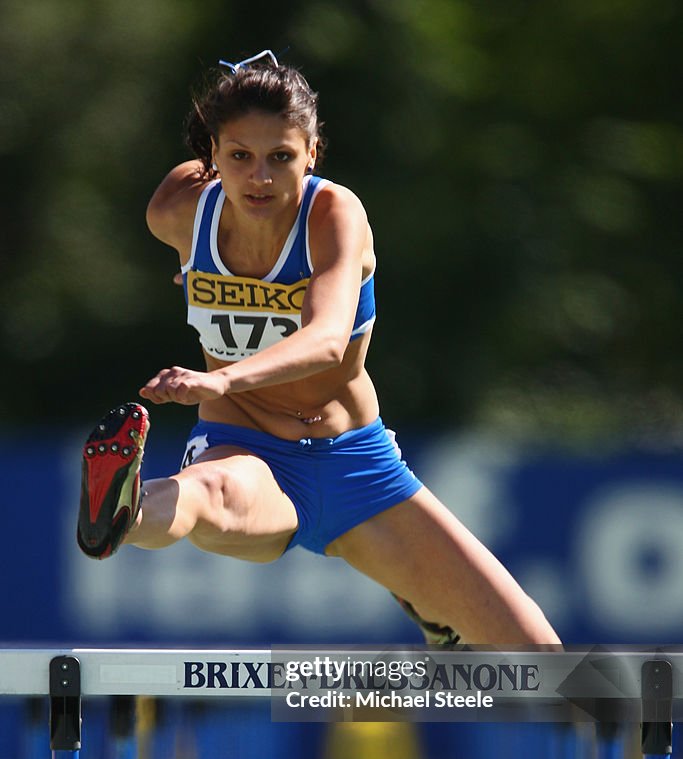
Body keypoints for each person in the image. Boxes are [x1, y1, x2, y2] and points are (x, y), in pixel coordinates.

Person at [77, 51, 560, 648]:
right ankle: (121, 508)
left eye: (281, 157)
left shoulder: (334, 213)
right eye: (240, 157)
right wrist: (200, 283)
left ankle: (433, 611)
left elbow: (329, 340)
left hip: (356, 464)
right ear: (211, 156)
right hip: (245, 443)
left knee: (544, 659)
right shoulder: (177, 210)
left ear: (311, 153)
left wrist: (222, 378)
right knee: (204, 497)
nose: (260, 178)